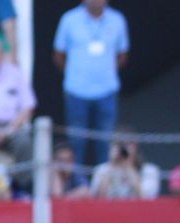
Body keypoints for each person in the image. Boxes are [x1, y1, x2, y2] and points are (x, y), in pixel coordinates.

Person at [54, 0, 128, 173]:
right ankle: (77, 185)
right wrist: (75, 73)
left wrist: (104, 72)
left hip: (107, 91)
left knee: (106, 141)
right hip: (77, 90)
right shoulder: (69, 19)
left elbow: (122, 54)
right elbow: (58, 54)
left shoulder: (118, 20)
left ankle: (103, 186)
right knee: (76, 142)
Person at [90, 135, 159, 200]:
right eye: (119, 145)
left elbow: (145, 198)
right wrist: (112, 165)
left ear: (135, 147)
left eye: (127, 145)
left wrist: (128, 166)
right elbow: (99, 199)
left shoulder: (149, 170)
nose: (123, 151)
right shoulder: (102, 169)